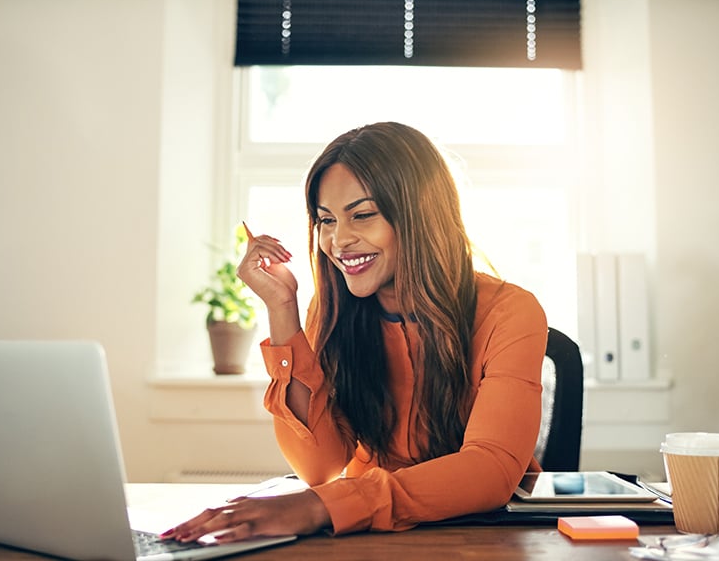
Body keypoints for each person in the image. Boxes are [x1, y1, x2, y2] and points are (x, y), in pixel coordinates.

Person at [161, 121, 548, 543]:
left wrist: (323, 506)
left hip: (481, 538)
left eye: (362, 215)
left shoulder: (510, 311)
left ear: (420, 215)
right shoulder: (331, 310)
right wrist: (282, 309)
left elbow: (490, 468)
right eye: (326, 220)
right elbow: (319, 467)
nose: (338, 240)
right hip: (368, 535)